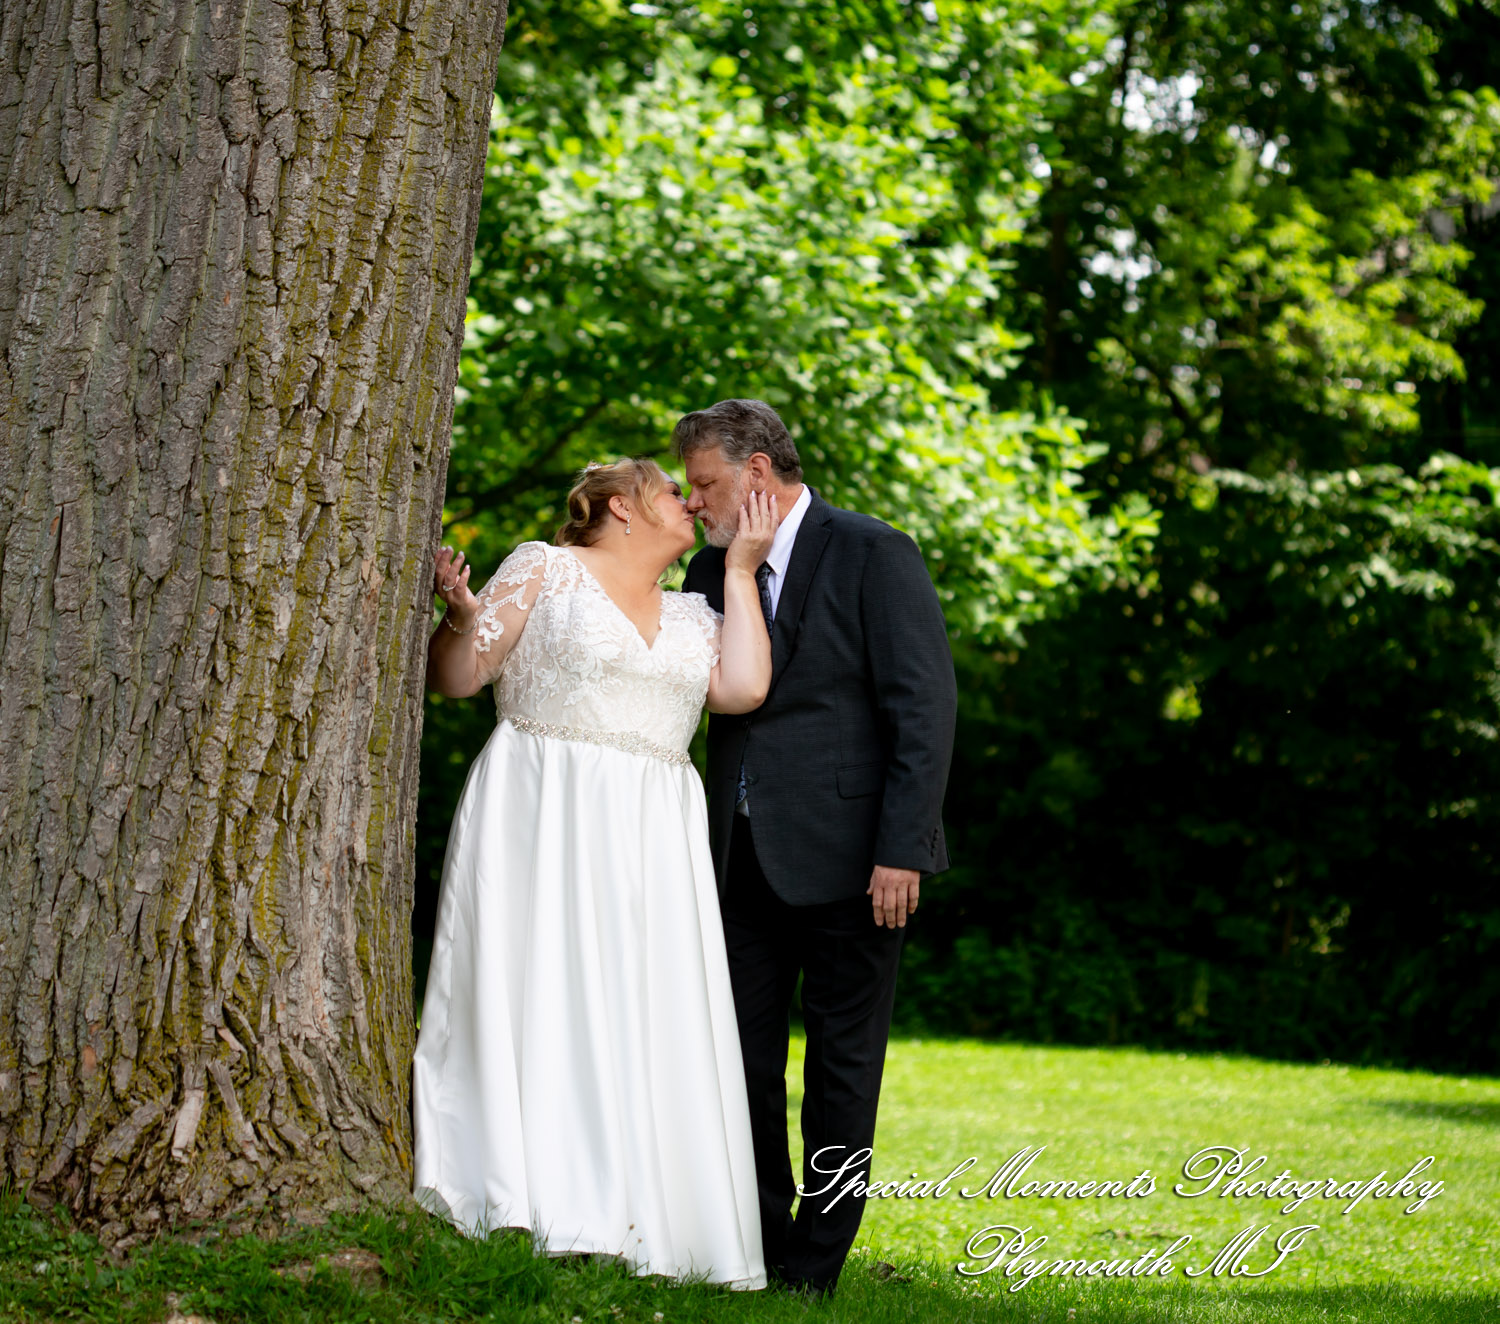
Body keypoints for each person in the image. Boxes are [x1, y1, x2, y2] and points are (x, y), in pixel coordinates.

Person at [412, 457, 779, 1290]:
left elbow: (744, 688)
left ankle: (636, 1209)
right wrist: (465, 614)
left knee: (641, 1005)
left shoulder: (696, 609)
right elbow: (460, 677)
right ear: (620, 507)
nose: (688, 501)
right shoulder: (543, 565)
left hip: (655, 826)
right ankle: (524, 1186)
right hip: (543, 804)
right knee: (536, 989)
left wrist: (742, 570)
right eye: (668, 491)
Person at [677, 399, 957, 1297]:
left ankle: (815, 1267)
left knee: (842, 1069)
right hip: (735, 859)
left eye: (706, 484)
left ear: (758, 471)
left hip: (855, 863)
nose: (695, 504)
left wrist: (904, 847)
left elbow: (923, 708)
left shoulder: (874, 552)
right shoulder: (707, 570)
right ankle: (757, 1245)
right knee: (743, 1064)